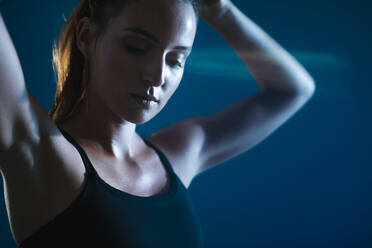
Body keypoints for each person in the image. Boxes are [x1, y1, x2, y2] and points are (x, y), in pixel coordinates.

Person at [0, 0, 315, 247]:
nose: (158, 76)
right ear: (86, 36)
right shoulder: (39, 153)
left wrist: (220, 9)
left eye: (176, 59)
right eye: (136, 47)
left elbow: (294, 90)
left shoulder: (176, 157)